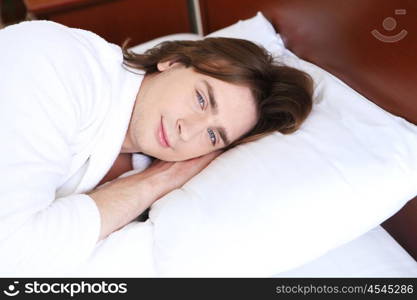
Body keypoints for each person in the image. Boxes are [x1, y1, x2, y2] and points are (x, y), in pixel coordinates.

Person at [0, 20, 313, 274]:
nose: (188, 131)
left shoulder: (142, 164)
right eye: (201, 99)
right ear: (172, 61)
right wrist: (156, 181)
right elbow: (9, 255)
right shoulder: (56, 64)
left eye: (213, 136)